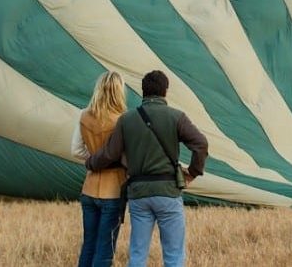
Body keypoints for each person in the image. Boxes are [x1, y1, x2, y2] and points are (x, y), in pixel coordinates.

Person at [87, 70, 209, 267]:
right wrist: (193, 172)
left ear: (143, 91)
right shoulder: (177, 117)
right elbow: (201, 144)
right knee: (174, 255)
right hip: (168, 192)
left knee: (137, 254)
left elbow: (110, 154)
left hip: (139, 194)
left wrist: (90, 163)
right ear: (165, 91)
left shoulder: (126, 120)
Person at [71, 71, 128, 267]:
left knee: (89, 245)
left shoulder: (84, 115)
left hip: (89, 188)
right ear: (119, 91)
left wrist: (94, 160)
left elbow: (76, 150)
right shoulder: (123, 120)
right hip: (113, 191)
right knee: (105, 249)